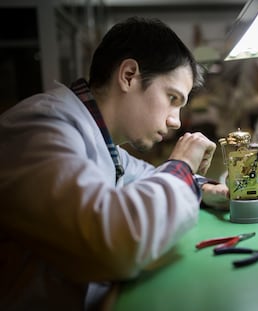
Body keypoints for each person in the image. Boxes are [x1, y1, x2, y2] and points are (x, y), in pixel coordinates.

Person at [0, 17, 229, 310]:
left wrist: (203, 188)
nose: (175, 121)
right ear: (129, 75)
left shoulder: (100, 141)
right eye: (172, 98)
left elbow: (145, 174)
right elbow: (114, 243)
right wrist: (183, 166)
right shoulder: (38, 128)